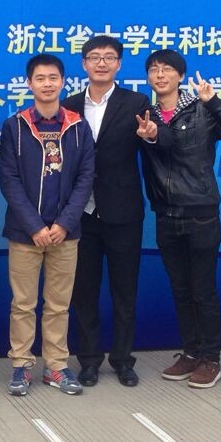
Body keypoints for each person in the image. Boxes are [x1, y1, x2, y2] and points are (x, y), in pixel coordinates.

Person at [136, 50, 221, 389]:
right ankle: (190, 351)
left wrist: (214, 102)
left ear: (180, 76)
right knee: (181, 290)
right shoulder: (146, 114)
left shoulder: (202, 109)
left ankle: (210, 359)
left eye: (167, 69)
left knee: (203, 291)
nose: (160, 75)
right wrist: (150, 133)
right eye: (153, 69)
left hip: (200, 213)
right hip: (165, 214)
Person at [0, 54, 95, 396]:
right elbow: (9, 180)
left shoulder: (78, 126)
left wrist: (65, 223)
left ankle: (56, 365)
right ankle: (21, 365)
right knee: (23, 304)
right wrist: (35, 226)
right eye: (40, 78)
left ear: (63, 82)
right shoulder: (15, 126)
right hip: (26, 234)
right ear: (30, 84)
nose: (47, 84)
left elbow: (86, 178)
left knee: (58, 305)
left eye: (53, 78)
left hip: (66, 234)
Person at [62, 35, 151, 388]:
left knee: (124, 291)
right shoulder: (68, 105)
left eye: (109, 57)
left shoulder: (136, 102)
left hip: (123, 211)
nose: (102, 63)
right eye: (95, 57)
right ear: (84, 63)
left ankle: (123, 360)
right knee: (84, 292)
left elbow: (155, 143)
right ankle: (88, 360)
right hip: (80, 213)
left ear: (119, 64)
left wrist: (151, 135)